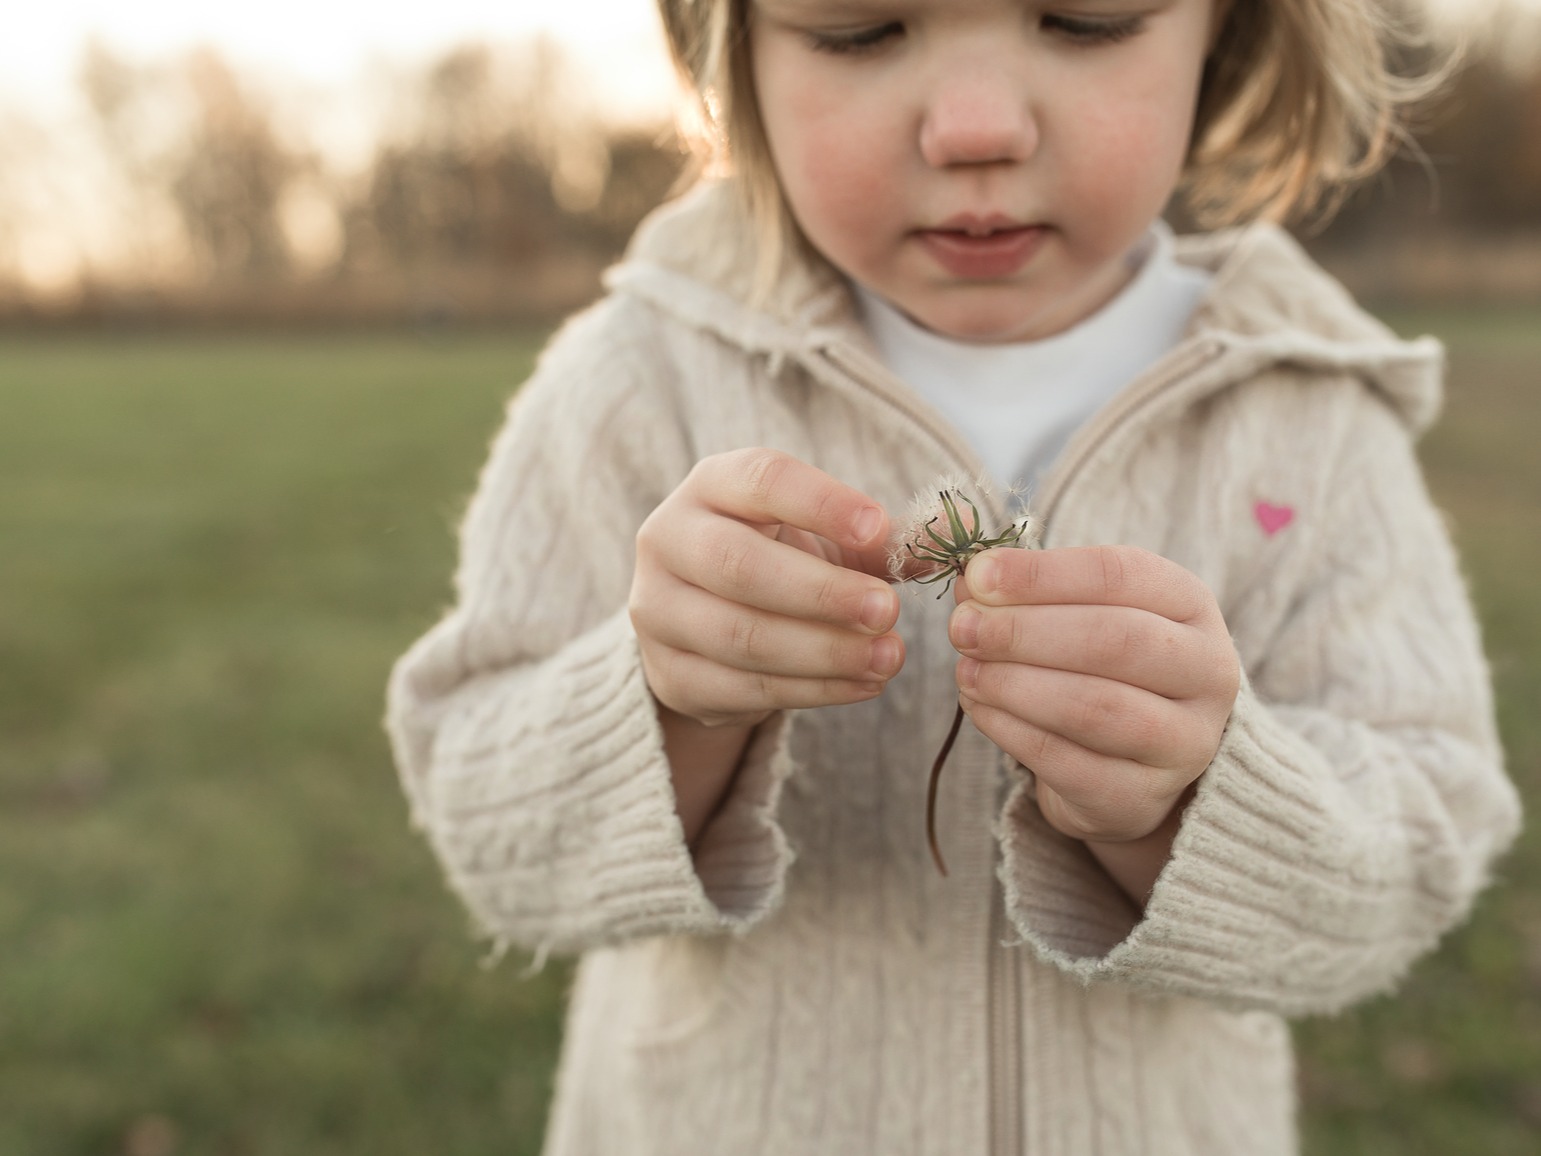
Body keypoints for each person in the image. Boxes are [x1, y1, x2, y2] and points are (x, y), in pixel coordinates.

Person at [386, 0, 1523, 1151]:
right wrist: (664, 700)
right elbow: (492, 840)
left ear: (1221, 31)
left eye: (1086, 20)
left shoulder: (1304, 414)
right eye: (858, 31)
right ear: (729, 47)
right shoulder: (638, 378)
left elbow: (1421, 839)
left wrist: (1189, 800)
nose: (975, 129)